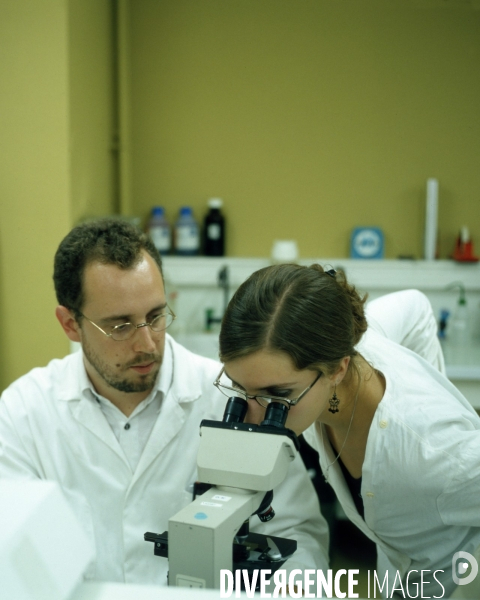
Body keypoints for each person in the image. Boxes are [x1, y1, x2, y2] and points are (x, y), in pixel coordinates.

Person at [0, 219, 328, 585]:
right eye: (120, 326)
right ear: (70, 324)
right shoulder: (23, 413)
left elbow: (300, 540)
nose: (147, 344)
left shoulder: (235, 397)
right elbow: (9, 547)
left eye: (155, 316)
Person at [216, 263, 480, 599]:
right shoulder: (346, 346)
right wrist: (432, 379)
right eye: (239, 388)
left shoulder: (437, 454)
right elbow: (416, 307)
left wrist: (432, 407)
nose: (253, 416)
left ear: (338, 369)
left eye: (277, 395)